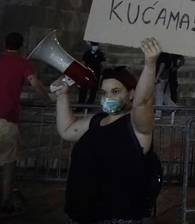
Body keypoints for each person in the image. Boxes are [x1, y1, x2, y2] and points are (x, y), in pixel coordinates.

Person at [54, 38, 160, 224]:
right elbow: (67, 130)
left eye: (116, 91)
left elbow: (143, 102)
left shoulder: (136, 126)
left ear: (131, 94)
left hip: (117, 217)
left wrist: (150, 64)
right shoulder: (96, 121)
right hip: (80, 214)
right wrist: (62, 95)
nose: (108, 97)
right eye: (104, 93)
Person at [0, 32, 51, 218]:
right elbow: (34, 83)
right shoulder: (22, 63)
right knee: (8, 163)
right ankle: (5, 204)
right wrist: (47, 100)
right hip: (6, 117)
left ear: (5, 44)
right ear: (20, 46)